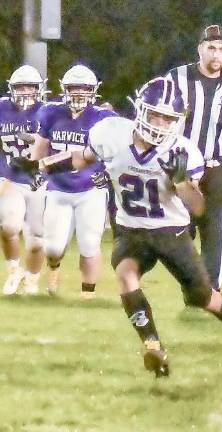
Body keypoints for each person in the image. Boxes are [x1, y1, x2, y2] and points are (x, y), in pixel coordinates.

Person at [13, 77, 222, 376]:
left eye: (168, 117)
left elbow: (197, 207)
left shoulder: (183, 151)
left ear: (177, 121)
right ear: (140, 111)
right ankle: (152, 346)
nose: (160, 123)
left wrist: (181, 181)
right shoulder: (112, 134)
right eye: (155, 114)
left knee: (204, 298)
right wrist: (40, 165)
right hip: (131, 228)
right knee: (125, 274)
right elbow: (82, 158)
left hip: (170, 232)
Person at [166, 24, 222, 292]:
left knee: (215, 230)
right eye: (211, 48)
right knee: (180, 228)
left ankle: (209, 292)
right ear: (200, 49)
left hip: (215, 166)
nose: (217, 54)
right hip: (181, 166)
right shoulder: (176, 79)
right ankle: (191, 282)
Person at [28, 64, 116, 299]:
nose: (78, 93)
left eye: (84, 88)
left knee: (89, 243)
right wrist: (34, 170)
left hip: (91, 190)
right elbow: (40, 146)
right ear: (64, 89)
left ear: (93, 91)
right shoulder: (50, 112)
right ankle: (54, 268)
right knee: (54, 247)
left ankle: (87, 294)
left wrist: (108, 173)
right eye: (74, 88)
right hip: (58, 188)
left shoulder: (104, 118)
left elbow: (118, 151)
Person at [0, 65, 47, 295]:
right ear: (12, 88)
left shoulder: (49, 111)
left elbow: (56, 147)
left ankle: (31, 280)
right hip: (10, 177)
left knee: (38, 239)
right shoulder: (1, 108)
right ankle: (13, 270)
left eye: (31, 86)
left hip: (40, 180)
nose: (26, 90)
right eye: (21, 86)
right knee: (9, 226)